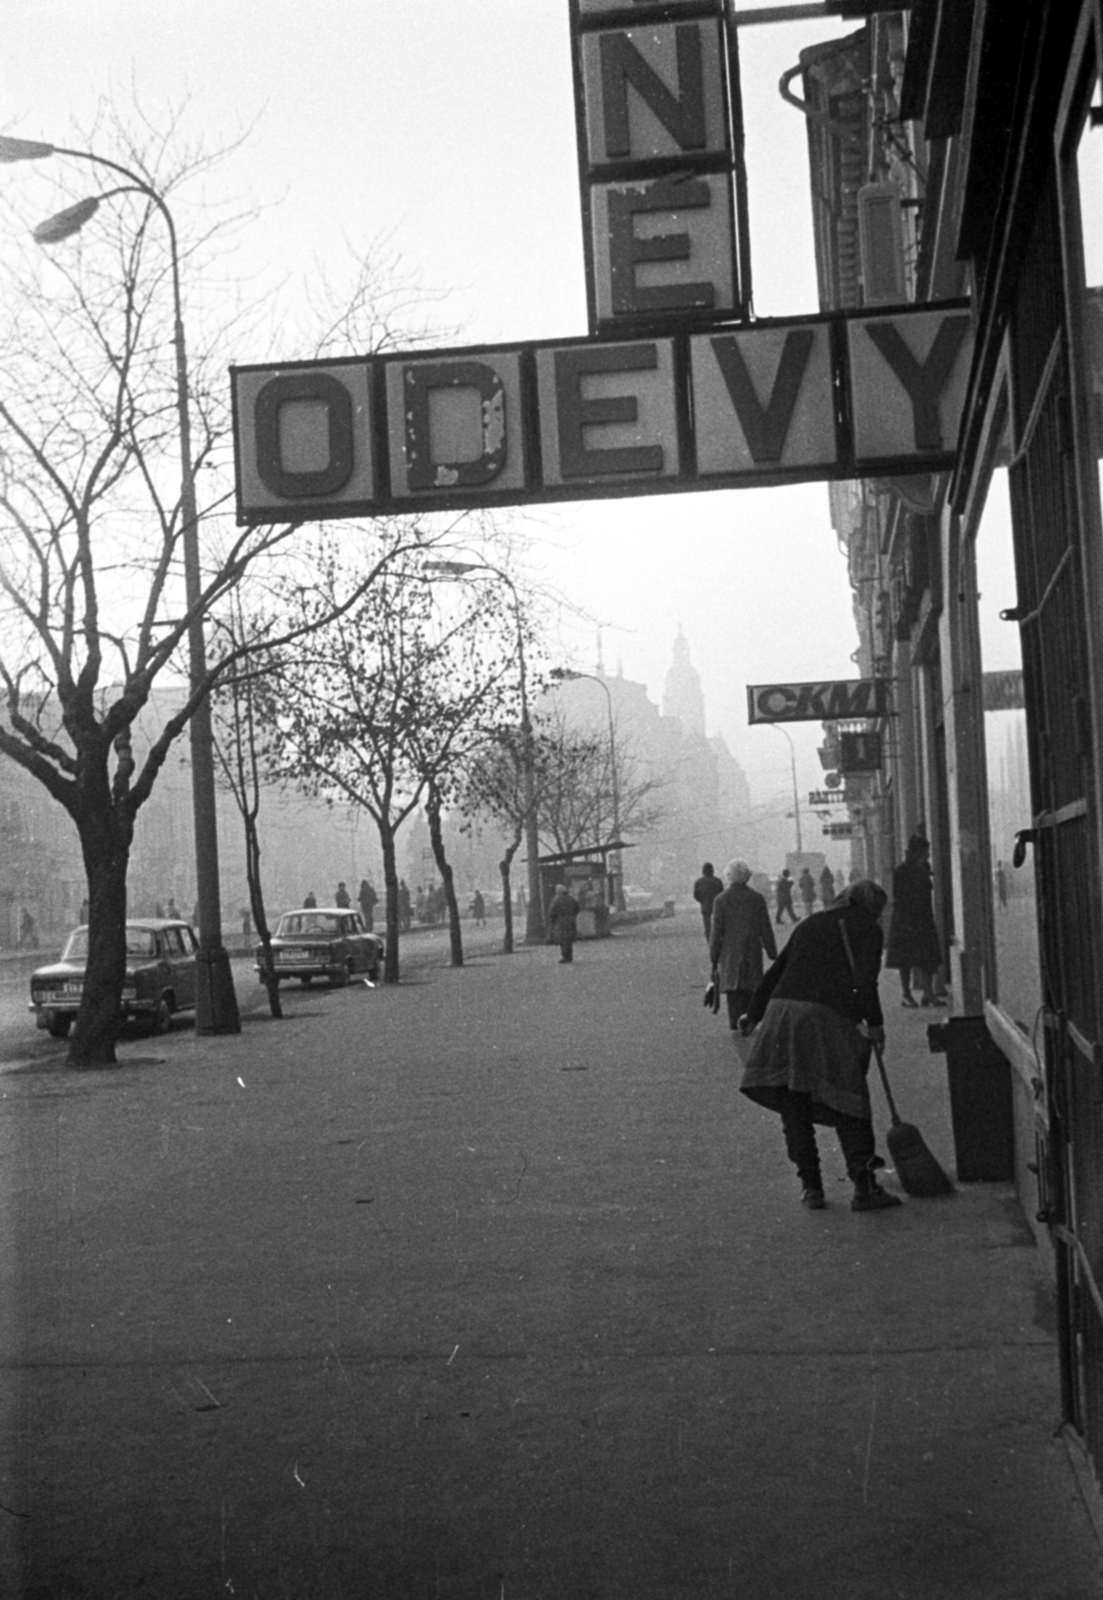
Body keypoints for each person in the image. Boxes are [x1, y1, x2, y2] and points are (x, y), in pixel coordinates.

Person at [737, 879, 900, 1213]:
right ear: (871, 906)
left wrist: (753, 1013)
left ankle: (811, 1188)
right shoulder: (867, 929)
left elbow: (777, 970)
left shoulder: (811, 923)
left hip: (782, 1014)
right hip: (826, 1020)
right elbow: (865, 982)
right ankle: (864, 1188)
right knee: (849, 1101)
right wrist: (877, 1025)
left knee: (793, 1098)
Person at [708, 860, 778, 1030]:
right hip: (752, 951)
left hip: (730, 953)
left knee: (734, 989)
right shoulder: (756, 899)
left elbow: (716, 932)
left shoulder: (721, 900)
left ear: (728, 877)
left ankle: (734, 1022)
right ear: (746, 877)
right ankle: (749, 1019)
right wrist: (772, 952)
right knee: (751, 986)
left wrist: (714, 956)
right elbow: (765, 928)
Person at [884, 833, 945, 1007]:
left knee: (928, 958)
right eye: (925, 851)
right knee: (905, 961)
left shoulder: (924, 868)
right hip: (906, 920)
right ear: (915, 852)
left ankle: (928, 993)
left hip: (923, 918)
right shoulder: (901, 871)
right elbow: (900, 895)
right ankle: (906, 994)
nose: (927, 855)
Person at [547, 882, 580, 964]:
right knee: (569, 940)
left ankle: (565, 957)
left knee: (563, 940)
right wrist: (573, 915)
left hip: (560, 922)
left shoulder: (556, 899)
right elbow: (577, 907)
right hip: (571, 921)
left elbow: (552, 911)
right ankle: (570, 956)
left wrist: (552, 919)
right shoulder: (571, 898)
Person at [692, 862, 724, 939]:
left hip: (705, 905)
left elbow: (696, 895)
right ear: (712, 870)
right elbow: (722, 894)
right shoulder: (718, 881)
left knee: (707, 927)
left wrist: (702, 901)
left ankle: (710, 942)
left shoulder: (699, 882)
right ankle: (718, 940)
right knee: (718, 925)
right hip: (717, 906)